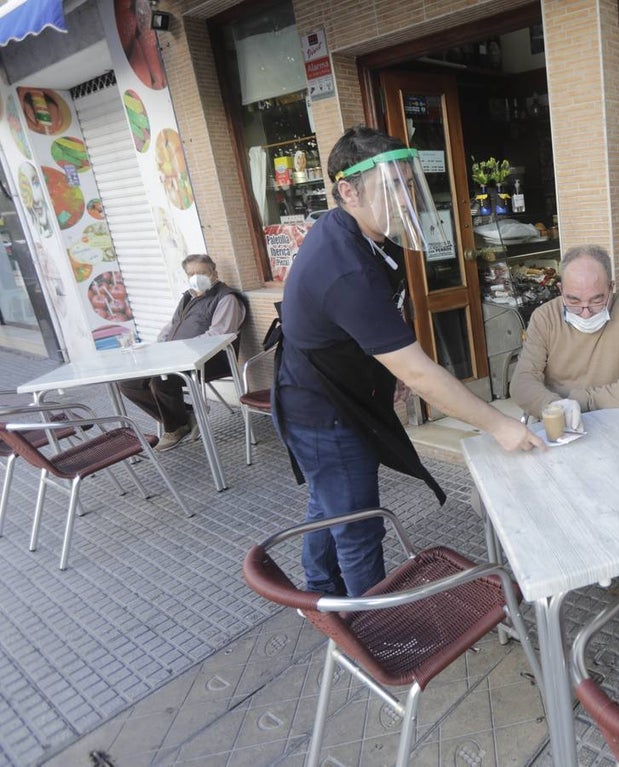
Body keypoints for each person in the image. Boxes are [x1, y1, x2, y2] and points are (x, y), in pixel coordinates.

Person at [274, 126, 543, 599]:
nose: (406, 196)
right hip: (324, 413)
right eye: (392, 185)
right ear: (348, 191)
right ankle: (376, 630)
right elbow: (418, 370)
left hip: (340, 391)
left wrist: (384, 369)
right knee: (357, 524)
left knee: (328, 503)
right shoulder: (344, 266)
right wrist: (498, 425)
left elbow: (386, 318)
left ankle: (317, 589)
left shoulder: (367, 235)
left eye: (408, 182)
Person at [510, 244, 619, 431]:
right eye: (573, 301)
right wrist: (555, 406)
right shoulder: (544, 317)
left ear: (611, 288)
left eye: (597, 300)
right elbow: (522, 382)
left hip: (616, 418)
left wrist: (580, 401)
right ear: (560, 289)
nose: (586, 313)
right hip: (559, 422)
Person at [118, 254, 246, 451]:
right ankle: (185, 416)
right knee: (128, 383)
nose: (196, 277)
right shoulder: (188, 296)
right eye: (191, 273)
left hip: (209, 360)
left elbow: (218, 336)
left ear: (214, 273)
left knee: (161, 381)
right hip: (175, 358)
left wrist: (179, 351)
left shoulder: (226, 298)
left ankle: (176, 427)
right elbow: (172, 326)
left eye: (202, 272)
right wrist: (159, 346)